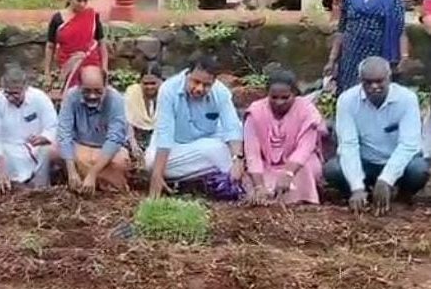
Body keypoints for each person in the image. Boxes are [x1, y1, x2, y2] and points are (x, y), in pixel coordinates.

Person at [324, 57, 427, 215]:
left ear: (389, 78)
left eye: (379, 81)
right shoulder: (347, 100)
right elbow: (348, 145)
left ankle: (402, 198)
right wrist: (357, 186)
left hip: (398, 163)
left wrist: (387, 178)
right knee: (333, 169)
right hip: (366, 163)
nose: (374, 87)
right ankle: (361, 196)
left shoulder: (407, 99)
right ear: (360, 80)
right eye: (368, 82)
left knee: (419, 169)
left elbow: (409, 145)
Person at [147, 55, 244, 199]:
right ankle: (209, 175)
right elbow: (165, 133)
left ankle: (201, 178)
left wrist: (237, 159)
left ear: (214, 82)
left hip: (210, 142)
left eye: (206, 85)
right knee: (151, 164)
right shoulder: (168, 89)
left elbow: (232, 128)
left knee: (219, 150)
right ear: (188, 74)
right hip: (175, 145)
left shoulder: (221, 92)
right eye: (196, 82)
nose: (199, 88)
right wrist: (157, 174)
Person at [324, 0, 408, 94]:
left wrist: (404, 56)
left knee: (378, 93)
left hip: (380, 52)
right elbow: (341, 29)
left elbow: (400, 28)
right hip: (351, 54)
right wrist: (332, 60)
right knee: (351, 94)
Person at [0, 66, 58, 192]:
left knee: (50, 149)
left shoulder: (39, 98)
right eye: (7, 93)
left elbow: (52, 126)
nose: (10, 98)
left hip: (33, 149)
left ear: (25, 88)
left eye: (15, 93)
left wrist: (44, 137)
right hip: (6, 149)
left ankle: (39, 186)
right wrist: (1, 169)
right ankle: (1, 182)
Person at [243, 70, 325, 205]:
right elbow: (252, 153)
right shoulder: (255, 112)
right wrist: (259, 186)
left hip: (299, 164)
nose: (279, 102)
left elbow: (305, 149)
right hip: (266, 165)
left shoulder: (307, 110)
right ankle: (265, 194)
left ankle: (297, 198)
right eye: (274, 98)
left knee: (307, 170)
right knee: (251, 178)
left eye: (285, 97)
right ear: (267, 95)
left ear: (295, 94)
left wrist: (288, 173)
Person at [56, 65, 131, 195]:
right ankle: (77, 179)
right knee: (52, 151)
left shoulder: (116, 99)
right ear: (79, 86)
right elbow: (64, 133)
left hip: (105, 149)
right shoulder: (71, 97)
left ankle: (93, 180)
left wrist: (93, 173)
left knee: (120, 162)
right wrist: (71, 170)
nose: (92, 96)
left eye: (98, 91)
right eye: (86, 91)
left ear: (105, 85)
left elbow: (115, 138)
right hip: (80, 146)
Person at [43, 0, 108, 96]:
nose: (82, 4)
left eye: (85, 1)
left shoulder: (92, 16)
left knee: (93, 95)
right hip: (68, 65)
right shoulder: (58, 19)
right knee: (70, 96)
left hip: (91, 64)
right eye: (79, 0)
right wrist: (47, 72)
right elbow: (50, 46)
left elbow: (101, 44)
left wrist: (104, 68)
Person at [124, 64, 162, 152]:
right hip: (135, 137)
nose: (149, 87)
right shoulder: (132, 92)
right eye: (146, 83)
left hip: (159, 138)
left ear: (160, 81)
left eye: (153, 83)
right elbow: (127, 122)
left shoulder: (167, 93)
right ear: (140, 82)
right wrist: (133, 145)